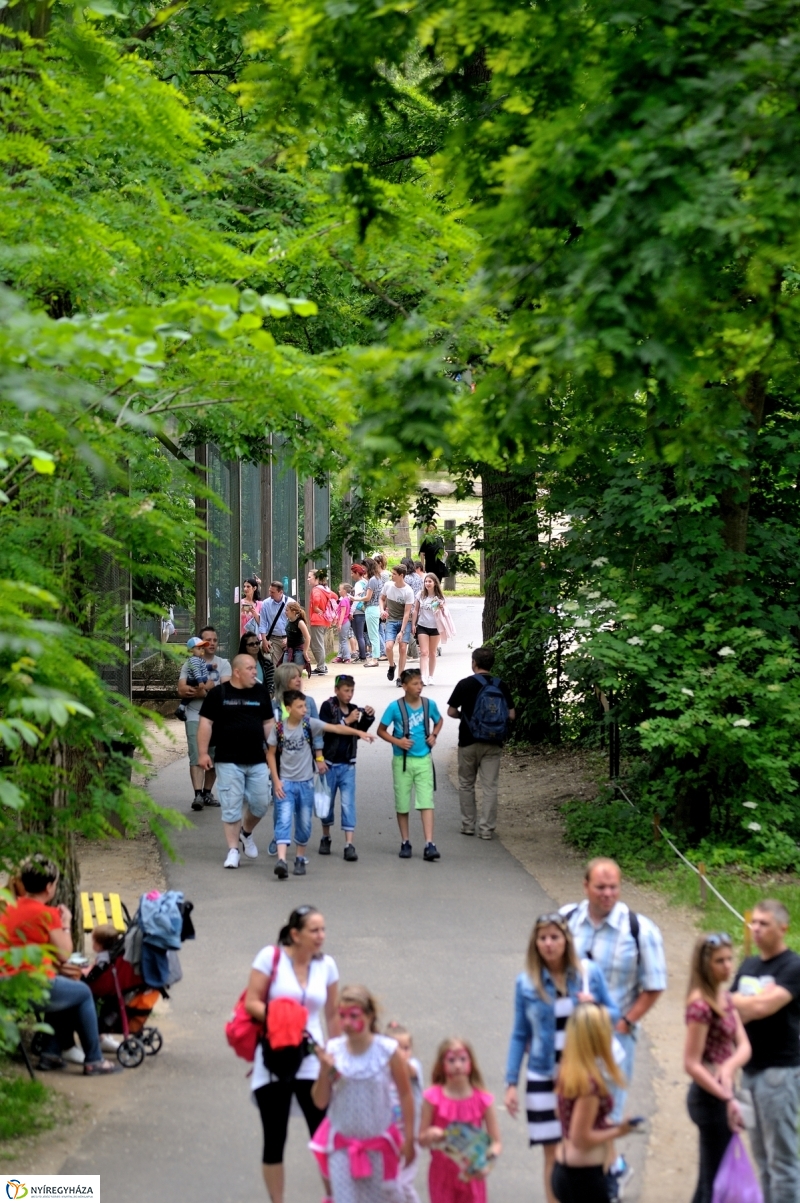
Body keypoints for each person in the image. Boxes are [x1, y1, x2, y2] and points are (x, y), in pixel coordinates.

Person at [563, 858, 666, 1199]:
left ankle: (606, 1183)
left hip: (615, 1040)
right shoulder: (566, 921)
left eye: (613, 887)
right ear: (585, 886)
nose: (607, 894)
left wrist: (626, 1021)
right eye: (600, 887)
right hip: (572, 1038)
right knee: (572, 1111)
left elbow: (654, 985)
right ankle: (605, 1172)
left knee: (607, 1113)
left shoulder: (640, 930)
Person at [505, 913, 618, 1203]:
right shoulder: (526, 983)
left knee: (589, 1147)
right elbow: (519, 1033)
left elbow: (615, 1013)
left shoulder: (588, 974)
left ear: (566, 941)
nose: (549, 943)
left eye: (554, 937)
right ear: (535, 943)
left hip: (583, 1076)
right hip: (543, 1077)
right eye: (543, 938)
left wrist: (595, 1006)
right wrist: (511, 1082)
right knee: (553, 1153)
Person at [244, 906, 340, 1203]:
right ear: (295, 935)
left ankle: (336, 1197)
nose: (321, 936)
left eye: (323, 929)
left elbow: (332, 1014)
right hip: (275, 1056)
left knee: (323, 1133)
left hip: (313, 1059)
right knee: (275, 1137)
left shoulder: (327, 966)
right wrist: (284, 1019)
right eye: (314, 930)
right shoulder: (270, 958)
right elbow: (252, 1002)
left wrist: (337, 1055)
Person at [0, 855, 120, 1075]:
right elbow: (64, 953)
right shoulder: (47, 913)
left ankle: (51, 1053)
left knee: (64, 985)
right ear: (49, 887)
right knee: (82, 992)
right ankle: (94, 1059)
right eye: (54, 884)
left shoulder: (9, 909)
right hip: (28, 987)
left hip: (5, 985)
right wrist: (65, 924)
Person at [310, 984, 415, 1203]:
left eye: (354, 1016)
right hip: (342, 1148)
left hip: (377, 1148)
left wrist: (409, 1138)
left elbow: (406, 1094)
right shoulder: (333, 1051)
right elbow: (320, 1102)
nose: (347, 1023)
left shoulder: (387, 1051)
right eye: (342, 1016)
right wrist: (323, 1072)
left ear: (369, 1016)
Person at [731, 899, 800, 1203]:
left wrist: (744, 1004)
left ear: (783, 928)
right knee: (761, 1158)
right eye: (754, 923)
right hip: (748, 1073)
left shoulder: (793, 967)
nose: (756, 929)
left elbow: (762, 1007)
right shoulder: (749, 965)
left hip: (779, 1074)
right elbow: (726, 1008)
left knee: (782, 1162)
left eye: (764, 924)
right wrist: (750, 1004)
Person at [267, 689, 374, 879]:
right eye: (300, 707)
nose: (304, 709)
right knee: (283, 819)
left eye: (305, 706)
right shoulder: (279, 728)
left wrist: (359, 732)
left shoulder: (309, 724)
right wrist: (276, 781)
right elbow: (270, 754)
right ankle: (281, 860)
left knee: (304, 823)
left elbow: (336, 728)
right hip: (286, 783)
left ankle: (300, 858)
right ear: (289, 709)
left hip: (306, 784)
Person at [684, 933, 750, 1203]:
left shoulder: (725, 998)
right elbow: (691, 1063)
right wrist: (727, 1097)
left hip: (724, 1093)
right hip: (709, 1098)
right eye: (719, 961)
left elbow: (744, 1046)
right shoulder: (701, 1006)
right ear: (705, 965)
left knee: (710, 1178)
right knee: (714, 1182)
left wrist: (729, 1066)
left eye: (729, 959)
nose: (728, 966)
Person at [552, 1004, 636, 1203]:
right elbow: (580, 1138)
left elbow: (561, 1113)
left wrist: (603, 1123)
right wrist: (619, 1131)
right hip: (584, 1176)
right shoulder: (590, 1085)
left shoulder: (568, 1070)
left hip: (564, 1167)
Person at [197, 654, 273, 869]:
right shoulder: (218, 694)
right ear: (237, 672)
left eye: (255, 668)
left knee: (261, 803)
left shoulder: (260, 692)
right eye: (250, 668)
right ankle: (233, 851)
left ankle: (245, 833)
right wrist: (203, 753)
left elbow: (268, 723)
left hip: (257, 759)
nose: (254, 672)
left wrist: (274, 752)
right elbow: (205, 724)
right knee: (231, 806)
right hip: (228, 759)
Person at [419, 1037, 501, 1203]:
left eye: (463, 1059)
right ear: (442, 1065)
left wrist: (486, 1163)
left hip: (471, 1174)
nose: (457, 1065)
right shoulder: (432, 1098)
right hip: (441, 1175)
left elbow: (496, 1142)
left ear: (471, 1063)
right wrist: (430, 1134)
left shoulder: (483, 1100)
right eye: (451, 1060)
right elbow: (421, 1139)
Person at [447, 647, 515, 840]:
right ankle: (486, 829)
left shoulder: (465, 684)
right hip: (494, 742)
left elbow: (451, 711)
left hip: (468, 741)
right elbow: (511, 714)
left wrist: (465, 717)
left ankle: (468, 825)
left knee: (466, 784)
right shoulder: (501, 685)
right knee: (490, 786)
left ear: (474, 663)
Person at [378, 667, 443, 862]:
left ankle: (429, 843)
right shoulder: (395, 707)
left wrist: (434, 735)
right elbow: (381, 730)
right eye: (415, 683)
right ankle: (405, 841)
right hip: (402, 761)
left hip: (424, 759)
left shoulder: (428, 704)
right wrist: (397, 742)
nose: (419, 687)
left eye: (420, 683)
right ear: (404, 686)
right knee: (402, 802)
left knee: (426, 801)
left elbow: (439, 721)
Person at [269, 664, 326, 857]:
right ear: (284, 681)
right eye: (294, 677)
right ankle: (279, 837)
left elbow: (318, 733)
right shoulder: (274, 705)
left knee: (303, 809)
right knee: (281, 806)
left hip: (303, 763)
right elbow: (268, 734)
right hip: (281, 764)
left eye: (299, 676)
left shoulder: (308, 702)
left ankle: (299, 846)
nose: (299, 680)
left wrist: (319, 758)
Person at [318, 674, 375, 862]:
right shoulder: (328, 707)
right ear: (336, 690)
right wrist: (346, 721)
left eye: (352, 690)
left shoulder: (353, 709)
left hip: (348, 765)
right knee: (326, 803)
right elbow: (324, 729)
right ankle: (326, 836)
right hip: (329, 764)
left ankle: (349, 844)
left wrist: (368, 717)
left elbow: (358, 733)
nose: (349, 694)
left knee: (348, 803)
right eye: (346, 690)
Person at [177, 626, 231, 812]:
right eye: (208, 641)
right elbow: (181, 689)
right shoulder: (189, 664)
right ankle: (198, 794)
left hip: (216, 717)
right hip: (194, 715)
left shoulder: (223, 664)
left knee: (215, 755)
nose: (212, 644)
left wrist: (203, 692)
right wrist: (206, 690)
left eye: (215, 640)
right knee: (195, 754)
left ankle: (208, 792)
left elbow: (224, 691)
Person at [386, 1020, 424, 1203]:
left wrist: (398, 1060)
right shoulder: (383, 1071)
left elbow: (410, 1071)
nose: (403, 1053)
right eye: (397, 1048)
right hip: (390, 1138)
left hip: (410, 1136)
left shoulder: (413, 1066)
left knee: (403, 1184)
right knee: (389, 1183)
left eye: (406, 1048)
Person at [412, 573, 448, 686]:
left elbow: (445, 612)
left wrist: (442, 607)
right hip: (422, 626)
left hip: (435, 627)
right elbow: (416, 610)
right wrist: (413, 624)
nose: (427, 584)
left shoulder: (439, 597)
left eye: (429, 581)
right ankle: (423, 676)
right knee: (424, 652)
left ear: (435, 583)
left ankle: (431, 676)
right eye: (426, 581)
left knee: (432, 653)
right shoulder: (420, 595)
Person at [380, 564, 414, 683]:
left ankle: (400, 676)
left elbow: (407, 613)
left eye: (394, 574)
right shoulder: (388, 585)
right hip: (391, 620)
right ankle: (391, 665)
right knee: (388, 647)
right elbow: (381, 598)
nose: (392, 576)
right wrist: (382, 610)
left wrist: (402, 631)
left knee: (403, 648)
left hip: (404, 621)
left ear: (401, 575)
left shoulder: (408, 591)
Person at [307, 567, 338, 675]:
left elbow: (316, 599)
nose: (308, 579)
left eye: (309, 577)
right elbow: (335, 596)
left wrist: (316, 607)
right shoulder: (325, 589)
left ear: (316, 578)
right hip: (325, 620)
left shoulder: (316, 589)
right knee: (317, 644)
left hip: (317, 620)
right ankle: (322, 666)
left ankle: (321, 667)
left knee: (317, 645)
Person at [260, 581, 295, 668]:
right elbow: (263, 623)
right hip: (274, 639)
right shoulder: (265, 604)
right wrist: (264, 640)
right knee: (276, 667)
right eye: (269, 591)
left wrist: (289, 638)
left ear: (280, 592)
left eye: (273, 592)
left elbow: (296, 623)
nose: (270, 594)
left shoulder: (291, 603)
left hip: (289, 638)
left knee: (289, 666)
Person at [238, 631, 275, 697]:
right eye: (251, 644)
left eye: (257, 643)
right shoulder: (239, 665)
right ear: (244, 646)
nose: (255, 646)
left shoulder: (267, 663)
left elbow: (272, 685)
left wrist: (268, 696)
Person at [363, 557, 382, 668]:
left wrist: (355, 598)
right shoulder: (377, 578)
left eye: (364, 567)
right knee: (374, 634)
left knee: (373, 635)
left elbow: (367, 597)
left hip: (371, 608)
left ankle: (375, 659)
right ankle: (375, 657)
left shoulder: (372, 580)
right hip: (375, 608)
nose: (363, 569)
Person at [282, 601, 312, 674]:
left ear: (293, 612)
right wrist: (286, 639)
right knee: (285, 672)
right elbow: (290, 633)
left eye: (287, 610)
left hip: (298, 651)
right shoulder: (288, 620)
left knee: (296, 674)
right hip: (289, 649)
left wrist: (305, 652)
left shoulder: (300, 623)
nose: (285, 612)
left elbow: (308, 637)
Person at [349, 564, 368, 663]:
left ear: (357, 573)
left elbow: (356, 599)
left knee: (359, 636)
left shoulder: (358, 584)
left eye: (352, 573)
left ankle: (362, 657)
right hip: (364, 610)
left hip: (358, 611)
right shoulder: (366, 582)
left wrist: (351, 611)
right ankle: (362, 655)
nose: (351, 575)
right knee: (361, 635)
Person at [332, 584, 354, 664]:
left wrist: (340, 624)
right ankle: (340, 656)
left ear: (344, 591)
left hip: (344, 622)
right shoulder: (347, 599)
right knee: (341, 640)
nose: (339, 591)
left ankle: (347, 657)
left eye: (340, 589)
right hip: (345, 622)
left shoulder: (344, 600)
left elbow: (342, 613)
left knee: (343, 641)